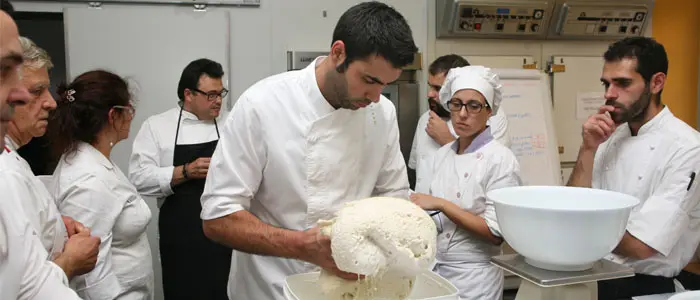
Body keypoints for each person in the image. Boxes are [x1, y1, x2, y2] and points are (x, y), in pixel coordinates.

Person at [200, 2, 417, 299]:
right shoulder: (262, 105)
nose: (376, 96)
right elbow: (217, 218)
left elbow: (395, 200)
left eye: (386, 85)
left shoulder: (383, 114)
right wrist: (302, 246)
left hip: (351, 290)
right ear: (338, 53)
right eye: (369, 80)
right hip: (270, 287)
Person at [567, 36, 700, 299]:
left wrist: (578, 226)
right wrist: (587, 148)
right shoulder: (608, 138)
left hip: (647, 288)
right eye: (607, 83)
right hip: (595, 278)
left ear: (656, 82)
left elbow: (641, 246)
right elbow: (571, 203)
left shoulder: (687, 148)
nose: (609, 94)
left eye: (623, 83)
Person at [409, 66, 521, 300]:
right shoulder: (443, 154)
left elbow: (495, 232)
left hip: (475, 277)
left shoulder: (501, 159)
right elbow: (437, 219)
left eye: (473, 106)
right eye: (456, 103)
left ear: (489, 111)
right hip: (437, 269)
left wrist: (441, 205)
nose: (461, 114)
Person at [0, 1, 86, 298]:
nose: (50, 102)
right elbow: (27, 288)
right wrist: (71, 260)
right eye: (38, 91)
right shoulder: (6, 174)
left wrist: (56, 228)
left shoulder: (13, 157)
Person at [47, 70, 155, 299]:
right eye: (129, 110)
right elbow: (90, 278)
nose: (131, 117)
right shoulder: (88, 180)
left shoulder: (96, 161)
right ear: (113, 115)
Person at [129, 58, 231, 300]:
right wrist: (184, 172)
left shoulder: (230, 121)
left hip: (224, 230)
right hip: (181, 236)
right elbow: (139, 177)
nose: (218, 101)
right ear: (188, 94)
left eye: (221, 93)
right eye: (211, 95)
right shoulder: (157, 126)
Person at [409, 54, 510, 194]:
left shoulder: (491, 119)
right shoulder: (425, 119)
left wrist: (447, 139)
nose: (430, 94)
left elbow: (488, 170)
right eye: (430, 87)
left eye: (438, 89)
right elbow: (415, 169)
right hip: (424, 210)